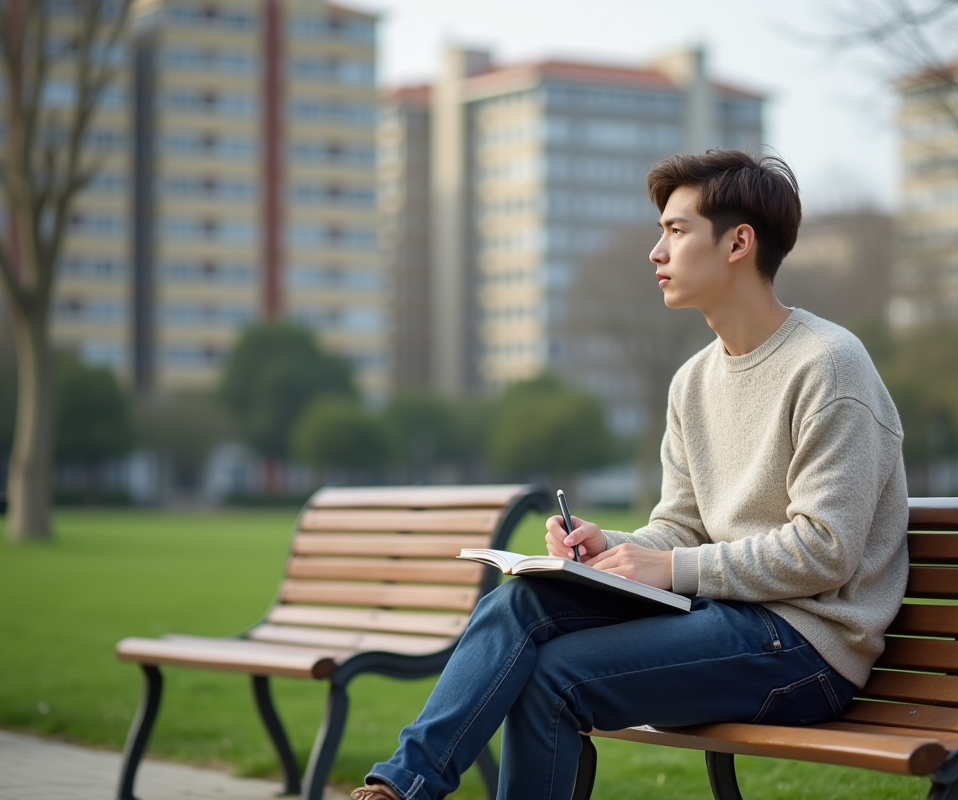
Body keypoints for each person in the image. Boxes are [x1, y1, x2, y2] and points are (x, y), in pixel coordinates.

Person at [352, 149, 909, 800]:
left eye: (676, 230)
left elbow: (826, 550)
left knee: (555, 676)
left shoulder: (829, 365)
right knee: (519, 602)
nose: (656, 251)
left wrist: (669, 568)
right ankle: (399, 788)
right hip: (723, 616)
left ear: (738, 243)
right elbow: (681, 528)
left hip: (807, 647)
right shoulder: (693, 381)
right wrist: (611, 550)